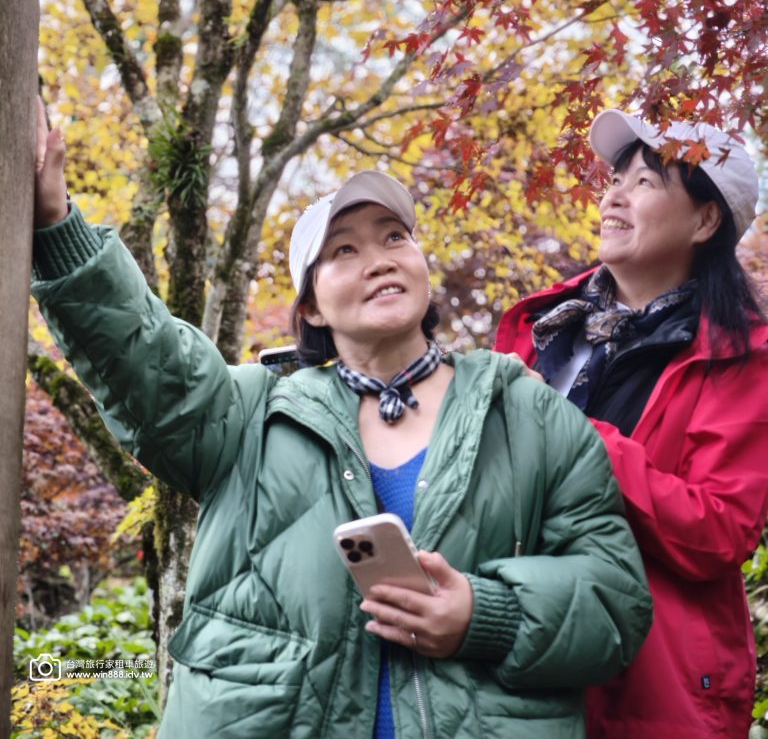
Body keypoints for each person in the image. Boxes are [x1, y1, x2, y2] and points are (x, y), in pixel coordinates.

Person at [31, 99, 651, 739]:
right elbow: (146, 357)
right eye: (344, 250)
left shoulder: (527, 412)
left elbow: (616, 602)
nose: (379, 259)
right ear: (312, 308)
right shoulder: (247, 416)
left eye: (394, 237)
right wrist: (58, 227)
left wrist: (485, 615)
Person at [495, 108, 768, 739]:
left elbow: (718, 529)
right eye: (615, 179)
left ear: (705, 221)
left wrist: (570, 433)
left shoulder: (739, 355)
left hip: (652, 686)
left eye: (645, 182)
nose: (614, 195)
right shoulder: (541, 331)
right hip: (520, 665)